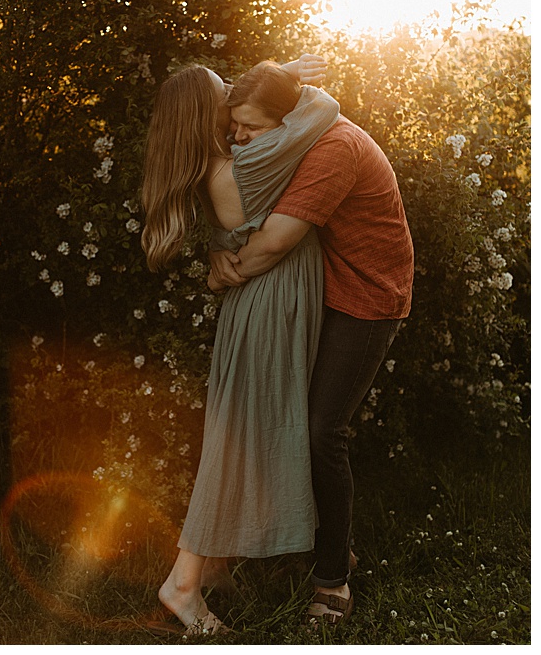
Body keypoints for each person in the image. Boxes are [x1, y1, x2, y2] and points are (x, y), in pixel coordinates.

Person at [208, 60, 414, 626]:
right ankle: (315, 544)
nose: (239, 137)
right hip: (325, 285)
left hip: (366, 298)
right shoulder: (299, 135)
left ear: (287, 122)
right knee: (291, 416)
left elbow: (274, 241)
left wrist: (220, 275)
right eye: (234, 127)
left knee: (324, 429)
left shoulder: (332, 150)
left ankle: (333, 582)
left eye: (249, 126)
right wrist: (215, 246)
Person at [139, 57, 335, 635]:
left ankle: (216, 566)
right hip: (272, 303)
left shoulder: (221, 166)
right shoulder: (247, 162)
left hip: (260, 302)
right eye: (225, 92)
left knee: (241, 436)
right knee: (237, 443)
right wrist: (280, 76)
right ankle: (182, 583)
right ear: (208, 113)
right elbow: (321, 109)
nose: (233, 100)